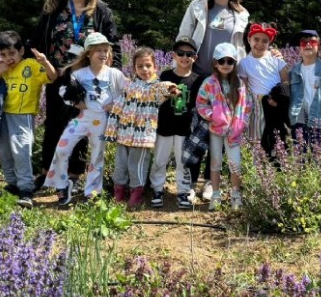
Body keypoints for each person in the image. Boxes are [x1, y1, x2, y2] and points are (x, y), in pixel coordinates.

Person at [31, 0, 120, 193]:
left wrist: (113, 76)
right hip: (59, 77)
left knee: (85, 124)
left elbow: (114, 45)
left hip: (91, 78)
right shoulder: (54, 9)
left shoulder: (101, 10)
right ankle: (46, 175)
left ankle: (74, 174)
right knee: (54, 126)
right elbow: (37, 40)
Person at [177, 0, 250, 201]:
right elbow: (183, 37)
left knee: (218, 128)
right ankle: (188, 180)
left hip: (225, 78)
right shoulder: (198, 7)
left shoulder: (240, 13)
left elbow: (245, 46)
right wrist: (181, 65)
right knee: (194, 130)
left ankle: (211, 181)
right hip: (198, 75)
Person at [44, 32, 126, 205]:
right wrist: (75, 102)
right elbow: (64, 91)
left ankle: (92, 193)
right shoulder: (80, 74)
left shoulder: (114, 74)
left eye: (106, 50)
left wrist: (115, 105)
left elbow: (128, 92)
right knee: (61, 149)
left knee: (97, 156)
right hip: (82, 119)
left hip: (102, 121)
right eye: (98, 51)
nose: (103, 54)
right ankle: (62, 185)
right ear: (88, 53)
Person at [104, 47, 179, 209]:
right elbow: (117, 108)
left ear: (155, 67)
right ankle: (119, 193)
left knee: (136, 166)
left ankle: (136, 194)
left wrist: (171, 88)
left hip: (142, 137)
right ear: (134, 68)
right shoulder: (130, 87)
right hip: (123, 134)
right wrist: (111, 131)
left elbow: (163, 87)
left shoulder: (154, 87)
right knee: (120, 165)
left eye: (148, 66)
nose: (144, 70)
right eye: (140, 66)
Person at [0, 30, 57, 208]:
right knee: (4, 150)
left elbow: (52, 77)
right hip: (2, 115)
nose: (8, 58)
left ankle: (26, 188)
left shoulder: (31, 65)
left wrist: (45, 62)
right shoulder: (0, 67)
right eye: (3, 55)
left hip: (23, 114)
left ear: (21, 51)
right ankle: (12, 184)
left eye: (12, 53)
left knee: (22, 150)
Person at [196, 43, 252, 211]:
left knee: (235, 163)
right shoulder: (209, 83)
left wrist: (242, 123)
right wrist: (213, 116)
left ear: (235, 64)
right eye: (222, 61)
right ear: (215, 63)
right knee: (215, 162)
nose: (226, 65)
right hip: (216, 129)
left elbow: (247, 106)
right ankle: (216, 194)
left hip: (234, 130)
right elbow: (200, 104)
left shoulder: (240, 84)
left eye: (230, 61)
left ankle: (236, 195)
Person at [150, 37, 205, 209]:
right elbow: (155, 97)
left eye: (189, 54)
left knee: (183, 162)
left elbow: (200, 104)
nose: (184, 57)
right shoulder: (166, 75)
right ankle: (157, 189)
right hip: (164, 126)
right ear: (174, 55)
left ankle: (183, 191)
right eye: (180, 53)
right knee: (160, 159)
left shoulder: (197, 79)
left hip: (185, 128)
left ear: (195, 57)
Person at [237, 23, 290, 160]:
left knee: (277, 134)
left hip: (276, 101)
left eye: (265, 41)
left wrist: (278, 97)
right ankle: (256, 166)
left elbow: (285, 81)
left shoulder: (276, 59)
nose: (260, 44)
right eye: (256, 39)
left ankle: (276, 165)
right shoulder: (244, 63)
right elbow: (244, 86)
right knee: (257, 135)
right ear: (249, 40)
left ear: (270, 43)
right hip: (257, 102)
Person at [288, 30, 321, 148]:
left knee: (318, 160)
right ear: (299, 47)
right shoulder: (293, 71)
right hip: (299, 120)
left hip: (319, 120)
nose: (308, 45)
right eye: (304, 42)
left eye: (312, 42)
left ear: (319, 46)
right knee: (300, 159)